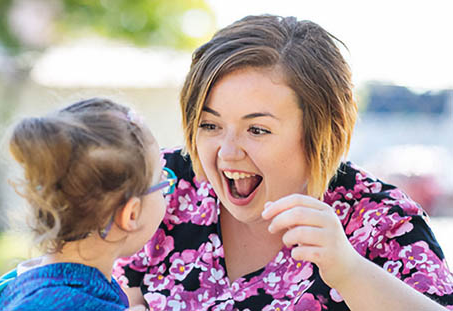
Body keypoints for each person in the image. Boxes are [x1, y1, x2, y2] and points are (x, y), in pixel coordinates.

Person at [114, 15, 453, 310]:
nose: (228, 152)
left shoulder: (383, 223)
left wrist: (349, 271)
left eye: (257, 129)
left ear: (321, 130)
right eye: (210, 125)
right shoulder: (159, 185)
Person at [0, 98, 177, 311]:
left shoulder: (30, 283)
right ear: (131, 213)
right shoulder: (60, 304)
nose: (167, 189)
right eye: (162, 180)